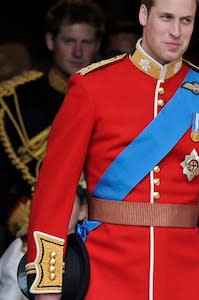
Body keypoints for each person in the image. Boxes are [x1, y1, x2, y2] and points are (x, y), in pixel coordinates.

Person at [25, 0, 199, 299]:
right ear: (143, 15)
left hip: (181, 274)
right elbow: (55, 189)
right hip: (105, 270)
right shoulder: (92, 86)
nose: (176, 31)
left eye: (186, 21)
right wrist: (48, 280)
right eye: (166, 18)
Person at [0, 0, 104, 256]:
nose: (78, 52)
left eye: (86, 43)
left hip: (103, 237)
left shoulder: (115, 97)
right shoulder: (15, 101)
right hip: (32, 239)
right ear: (50, 41)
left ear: (97, 46)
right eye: (69, 42)